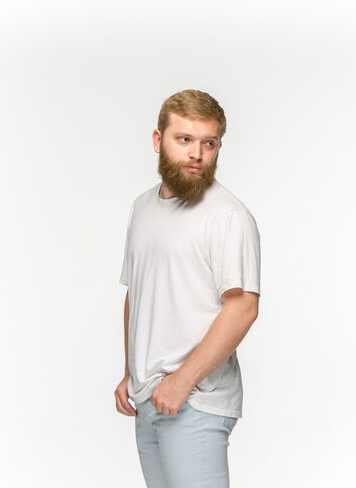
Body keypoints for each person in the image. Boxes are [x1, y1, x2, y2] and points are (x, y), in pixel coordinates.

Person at [114, 89, 261, 488]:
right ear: (158, 141)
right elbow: (138, 294)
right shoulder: (142, 208)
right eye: (185, 140)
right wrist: (131, 372)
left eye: (208, 143)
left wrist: (181, 382)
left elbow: (243, 308)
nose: (197, 154)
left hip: (196, 398)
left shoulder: (227, 216)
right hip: (149, 396)